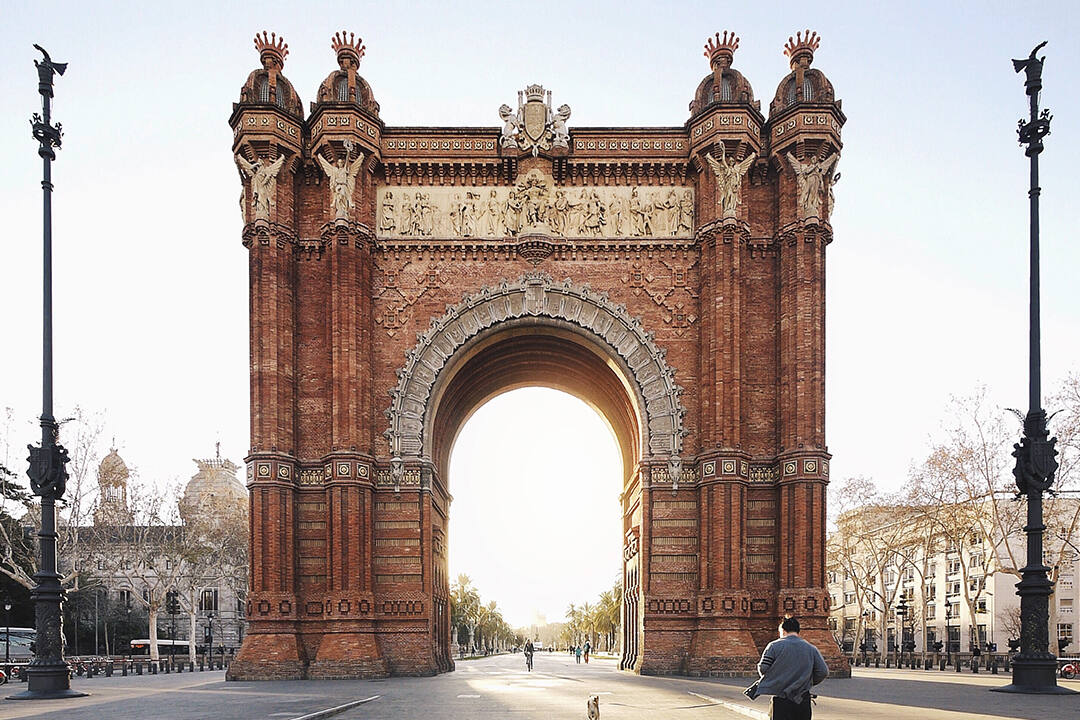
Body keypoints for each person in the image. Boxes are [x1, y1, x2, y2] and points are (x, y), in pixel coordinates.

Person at [747, 617, 828, 720]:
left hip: (781, 698)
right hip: (802, 699)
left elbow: (763, 668)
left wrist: (775, 679)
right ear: (798, 631)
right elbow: (823, 672)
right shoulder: (811, 648)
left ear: (783, 630)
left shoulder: (774, 646)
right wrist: (806, 682)